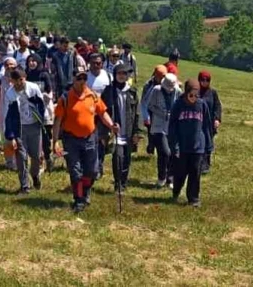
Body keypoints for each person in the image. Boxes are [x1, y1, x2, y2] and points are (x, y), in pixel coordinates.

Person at [53, 69, 116, 213]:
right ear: (73, 80)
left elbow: (102, 112)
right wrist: (55, 141)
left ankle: (85, 191)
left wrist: (111, 125)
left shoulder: (92, 96)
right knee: (75, 172)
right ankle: (79, 199)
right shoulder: (65, 98)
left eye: (84, 78)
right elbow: (57, 121)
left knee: (92, 171)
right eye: (79, 78)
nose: (82, 81)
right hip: (71, 139)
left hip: (90, 138)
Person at [167, 79, 215, 207]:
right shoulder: (178, 105)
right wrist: (175, 145)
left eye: (196, 94)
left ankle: (193, 199)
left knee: (195, 173)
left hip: (198, 146)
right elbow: (172, 127)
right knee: (180, 173)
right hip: (182, 146)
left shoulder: (202, 105)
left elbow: (206, 126)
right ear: (186, 93)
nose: (194, 98)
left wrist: (208, 145)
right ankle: (176, 191)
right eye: (191, 95)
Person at [4, 68, 46, 194]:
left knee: (36, 156)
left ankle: (35, 175)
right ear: (11, 81)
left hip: (33, 125)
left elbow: (41, 106)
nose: (18, 84)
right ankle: (24, 185)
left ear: (25, 78)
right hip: (20, 127)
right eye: (15, 81)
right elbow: (8, 116)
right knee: (21, 157)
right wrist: (11, 136)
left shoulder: (33, 89)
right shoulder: (10, 94)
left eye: (20, 80)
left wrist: (41, 120)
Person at [100, 62, 140, 193]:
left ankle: (124, 182)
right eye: (119, 73)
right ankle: (117, 183)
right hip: (114, 132)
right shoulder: (108, 91)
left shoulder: (132, 92)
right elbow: (102, 111)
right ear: (114, 75)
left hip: (128, 131)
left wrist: (136, 132)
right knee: (118, 157)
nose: (122, 76)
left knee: (127, 159)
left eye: (124, 73)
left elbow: (137, 114)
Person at [145, 73, 180, 188]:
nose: (169, 90)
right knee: (165, 152)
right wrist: (163, 114)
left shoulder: (178, 91)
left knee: (174, 153)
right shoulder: (156, 90)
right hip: (158, 126)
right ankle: (161, 177)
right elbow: (150, 106)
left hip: (172, 127)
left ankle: (170, 178)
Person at [25, 53, 57, 172]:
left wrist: (44, 96)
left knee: (45, 137)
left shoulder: (44, 74)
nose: (32, 63)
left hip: (44, 110)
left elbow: (50, 91)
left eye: (34, 61)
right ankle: (39, 162)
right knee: (34, 138)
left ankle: (48, 158)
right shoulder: (26, 75)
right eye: (30, 61)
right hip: (31, 110)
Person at [140, 64, 168, 155]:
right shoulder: (148, 85)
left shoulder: (167, 84)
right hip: (150, 111)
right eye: (160, 77)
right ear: (155, 75)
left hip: (162, 112)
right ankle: (151, 146)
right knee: (151, 131)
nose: (162, 79)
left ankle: (159, 147)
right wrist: (146, 117)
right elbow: (144, 102)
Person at [197, 70, 223, 135]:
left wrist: (217, 119)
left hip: (209, 123)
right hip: (197, 121)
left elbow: (217, 106)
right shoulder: (195, 91)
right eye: (203, 80)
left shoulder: (213, 92)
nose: (205, 82)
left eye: (207, 80)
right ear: (199, 80)